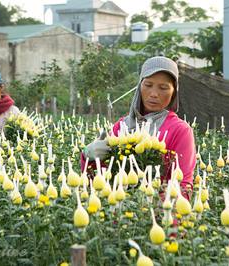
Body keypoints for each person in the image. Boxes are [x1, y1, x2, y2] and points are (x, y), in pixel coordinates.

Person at [81, 56, 196, 200]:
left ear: (174, 92)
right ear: (139, 86)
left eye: (163, 88)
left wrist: (151, 215)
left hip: (157, 216)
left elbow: (182, 187)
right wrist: (88, 157)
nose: (154, 94)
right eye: (148, 85)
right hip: (117, 215)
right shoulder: (122, 126)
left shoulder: (180, 131)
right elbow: (98, 181)